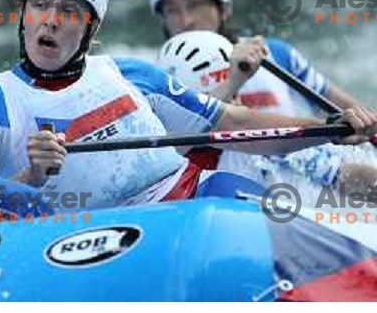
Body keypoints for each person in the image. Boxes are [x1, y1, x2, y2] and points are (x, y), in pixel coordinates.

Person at [0, 0, 377, 212]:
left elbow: (237, 125)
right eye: (41, 5)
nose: (52, 21)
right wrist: (32, 177)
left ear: (89, 29)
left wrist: (329, 129)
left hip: (200, 200)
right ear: (22, 15)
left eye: (70, 12)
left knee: (255, 179)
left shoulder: (131, 74)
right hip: (95, 232)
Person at [158, 30, 377, 193]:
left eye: (232, 97)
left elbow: (345, 174)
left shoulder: (264, 144)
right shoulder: (160, 159)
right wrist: (231, 85)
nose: (232, 108)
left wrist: (334, 128)